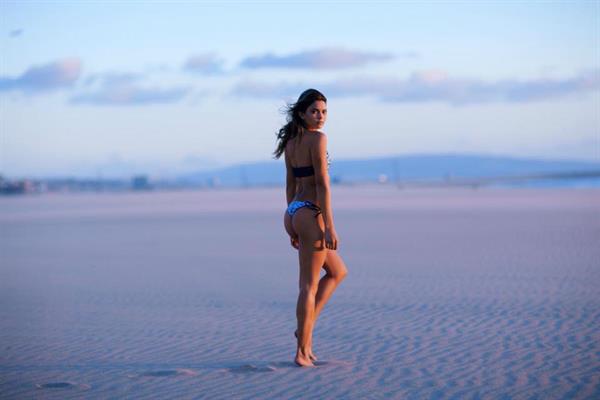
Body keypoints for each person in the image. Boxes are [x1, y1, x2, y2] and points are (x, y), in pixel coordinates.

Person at [273, 88, 348, 367]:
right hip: (310, 213)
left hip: (294, 211)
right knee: (308, 286)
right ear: (303, 113)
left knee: (338, 272)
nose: (320, 117)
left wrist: (291, 221)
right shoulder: (318, 139)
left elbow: (290, 184)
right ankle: (301, 353)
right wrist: (329, 226)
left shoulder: (292, 141)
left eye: (324, 111)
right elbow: (323, 185)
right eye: (315, 111)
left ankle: (304, 330)